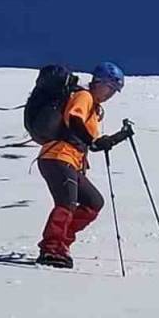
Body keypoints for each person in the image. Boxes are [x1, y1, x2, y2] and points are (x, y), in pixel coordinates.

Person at [34, 62, 133, 268]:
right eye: (109, 87)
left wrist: (118, 137)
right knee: (66, 203)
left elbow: (92, 142)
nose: (110, 94)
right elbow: (74, 120)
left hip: (72, 162)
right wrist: (94, 141)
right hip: (58, 156)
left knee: (93, 202)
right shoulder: (84, 96)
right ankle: (51, 248)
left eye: (115, 91)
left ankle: (62, 241)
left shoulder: (95, 108)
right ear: (98, 82)